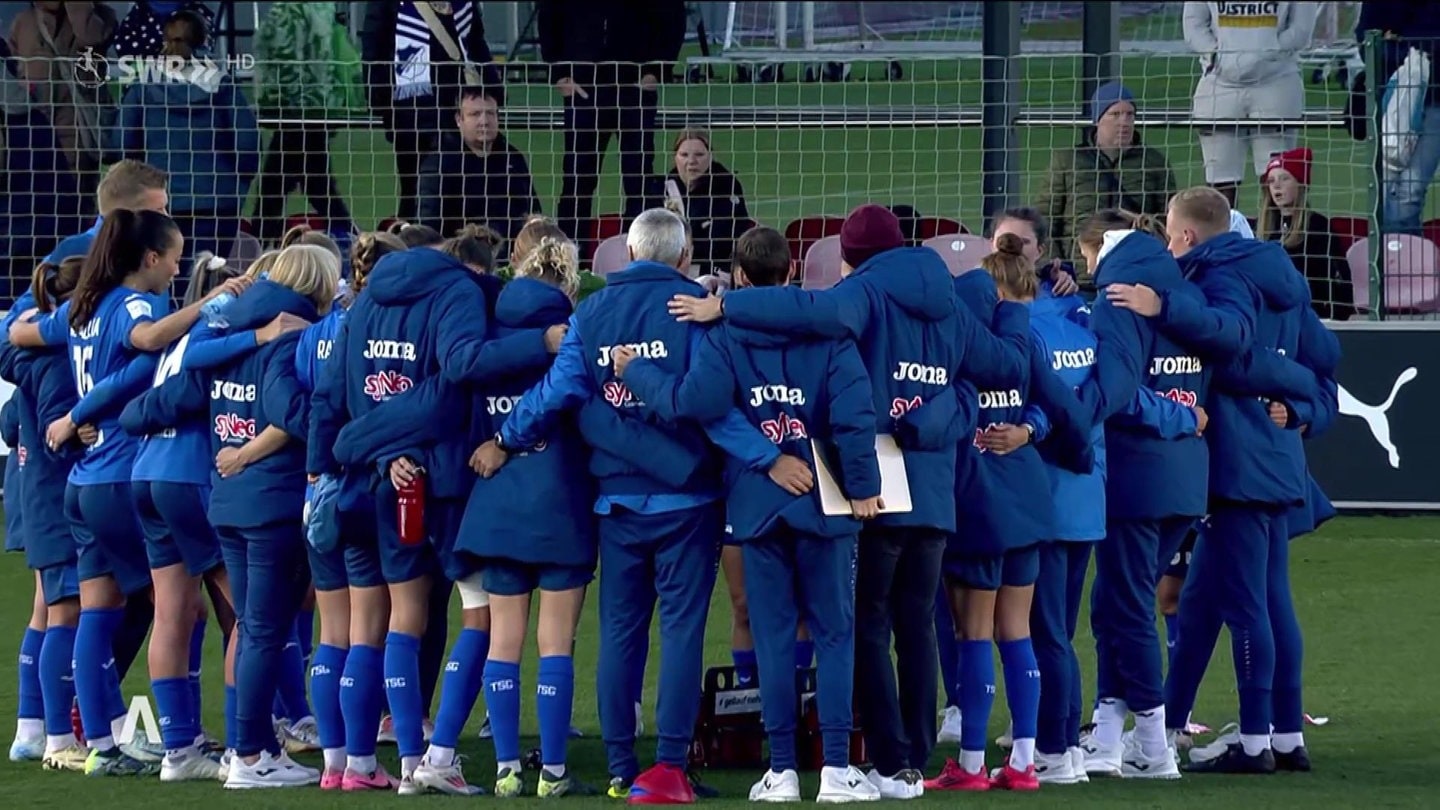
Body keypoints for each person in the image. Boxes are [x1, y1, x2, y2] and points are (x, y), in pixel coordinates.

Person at [668, 204, 1031, 799]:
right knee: (917, 625)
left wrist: (727, 304)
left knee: (862, 625)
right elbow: (1006, 370)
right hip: (935, 496)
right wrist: (1009, 313)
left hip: (869, 488)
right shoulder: (951, 308)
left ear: (849, 257)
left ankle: (881, 761)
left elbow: (816, 313)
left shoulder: (862, 297)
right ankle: (913, 760)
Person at [471, 208, 775, 804]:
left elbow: (556, 392)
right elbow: (716, 408)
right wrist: (769, 459)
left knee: (620, 632)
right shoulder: (697, 310)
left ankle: (617, 768)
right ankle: (668, 767)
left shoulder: (592, 312)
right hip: (688, 502)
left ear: (629, 256)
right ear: (683, 259)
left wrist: (505, 437)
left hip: (616, 502)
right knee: (682, 632)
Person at [613, 225, 885, 802]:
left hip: (758, 508)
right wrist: (863, 486)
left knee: (773, 636)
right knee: (835, 635)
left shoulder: (722, 333)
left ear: (737, 278)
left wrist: (634, 370)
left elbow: (695, 405)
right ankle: (835, 769)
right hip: (825, 503)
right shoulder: (831, 333)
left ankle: (782, 770)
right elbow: (855, 417)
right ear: (791, 272)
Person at [9, 210, 239, 775]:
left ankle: (99, 747)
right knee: (178, 607)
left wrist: (71, 417)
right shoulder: (136, 305)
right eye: (175, 257)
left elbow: (20, 331)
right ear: (150, 258)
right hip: (119, 472)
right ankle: (188, 739)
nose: (179, 267)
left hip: (83, 480)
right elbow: (146, 347)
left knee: (96, 610)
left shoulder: (82, 308)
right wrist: (211, 303)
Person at [1107, 187, 1314, 774]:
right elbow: (1323, 358)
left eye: (1171, 235)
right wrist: (1303, 404)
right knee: (1211, 602)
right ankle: (1266, 735)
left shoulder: (1220, 277)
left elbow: (1234, 345)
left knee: (1251, 604)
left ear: (1188, 236)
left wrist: (1161, 309)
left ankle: (1255, 743)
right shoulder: (1275, 276)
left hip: (1237, 467)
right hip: (1268, 460)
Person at [309, 233, 497, 794]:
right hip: (415, 483)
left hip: (353, 484)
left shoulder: (360, 308)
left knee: (357, 631)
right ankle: (418, 758)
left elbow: (330, 394)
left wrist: (327, 462)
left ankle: (350, 764)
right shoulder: (450, 301)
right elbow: (443, 394)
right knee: (419, 619)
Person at [926, 235, 1093, 792]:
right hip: (1027, 500)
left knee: (972, 633)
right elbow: (1057, 406)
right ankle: (1023, 762)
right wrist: (1030, 431)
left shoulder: (961, 348)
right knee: (1016, 631)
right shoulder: (1029, 349)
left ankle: (971, 764)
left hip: (976, 504)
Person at [1063, 208, 1210, 780]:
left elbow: (1119, 392)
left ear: (1098, 245)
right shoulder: (1185, 290)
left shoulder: (1118, 298)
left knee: (1124, 608)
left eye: (1085, 255)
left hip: (1137, 478)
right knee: (1115, 603)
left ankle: (1152, 738)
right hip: (1187, 481)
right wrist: (1187, 414)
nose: (1086, 268)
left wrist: (1075, 422)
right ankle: (1107, 729)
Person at [452, 235, 594, 798]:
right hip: (560, 506)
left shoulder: (488, 336)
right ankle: (553, 773)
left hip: (497, 505)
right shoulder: (569, 337)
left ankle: (508, 768)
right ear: (568, 283)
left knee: (503, 640)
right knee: (555, 641)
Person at [115, 258, 261, 782]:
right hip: (191, 477)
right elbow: (194, 393)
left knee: (174, 612)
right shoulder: (224, 331)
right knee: (246, 615)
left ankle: (179, 749)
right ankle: (247, 751)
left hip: (148, 473)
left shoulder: (179, 334)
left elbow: (137, 400)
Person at [6, 258, 86, 770]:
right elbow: (59, 435)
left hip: (34, 496)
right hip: (57, 498)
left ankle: (30, 729)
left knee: (44, 609)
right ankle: (59, 738)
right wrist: (85, 431)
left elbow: (10, 423)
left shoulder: (29, 355)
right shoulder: (60, 360)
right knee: (66, 612)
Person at [110, 9, 261, 275]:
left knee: (165, 282)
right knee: (208, 281)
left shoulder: (143, 85)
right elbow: (246, 142)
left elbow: (122, 142)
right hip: (217, 198)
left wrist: (141, 187)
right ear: (204, 42)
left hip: (160, 200)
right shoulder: (222, 85)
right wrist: (237, 184)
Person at [539, 0, 688, 245]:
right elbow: (548, 16)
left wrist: (656, 71)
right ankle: (569, 262)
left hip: (635, 88)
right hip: (583, 88)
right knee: (577, 180)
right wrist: (559, 73)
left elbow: (673, 18)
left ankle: (642, 256)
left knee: (639, 179)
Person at [361, 0, 497, 223]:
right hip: (411, 114)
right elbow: (374, 49)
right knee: (415, 190)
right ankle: (415, 247)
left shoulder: (463, 4)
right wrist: (382, 106)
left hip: (460, 110)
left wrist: (493, 91)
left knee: (462, 187)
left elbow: (476, 44)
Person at [1183, 2, 1319, 207]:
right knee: (1220, 176)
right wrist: (1214, 53)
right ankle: (1222, 236)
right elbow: (1193, 24)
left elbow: (1301, 29)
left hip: (1276, 82)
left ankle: (1277, 236)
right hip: (1219, 83)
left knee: (1278, 176)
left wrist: (1269, 53)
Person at [1037, 82, 1177, 267]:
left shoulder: (1153, 162)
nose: (1124, 122)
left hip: (1134, 267)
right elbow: (1045, 219)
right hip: (1078, 271)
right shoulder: (1067, 161)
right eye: (1115, 114)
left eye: (1130, 114)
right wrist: (1056, 266)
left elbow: (1168, 219)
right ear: (1098, 119)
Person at [252, 1, 357, 245]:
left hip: (294, 112)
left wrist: (272, 101)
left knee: (276, 192)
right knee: (315, 189)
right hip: (316, 109)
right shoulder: (322, 10)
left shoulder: (288, 12)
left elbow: (283, 59)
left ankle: (255, 251)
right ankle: (354, 239)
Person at [7, 1, 117, 209]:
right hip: (37, 122)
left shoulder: (100, 17)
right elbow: (15, 66)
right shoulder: (24, 21)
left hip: (78, 121)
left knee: (78, 195)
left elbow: (91, 37)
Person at [418, 86, 541, 250]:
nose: (484, 121)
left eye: (490, 113)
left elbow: (533, 213)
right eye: (475, 114)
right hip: (461, 259)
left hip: (512, 258)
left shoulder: (513, 159)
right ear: (459, 120)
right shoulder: (438, 164)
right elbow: (429, 228)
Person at [1256, 147, 1355, 320]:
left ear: (1301, 183)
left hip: (1314, 316)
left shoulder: (1318, 226)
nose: (1276, 186)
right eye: (1271, 181)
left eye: (1284, 178)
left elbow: (1339, 278)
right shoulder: (1265, 229)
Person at [662, 129, 751, 276]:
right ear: (675, 157)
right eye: (684, 155)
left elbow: (726, 238)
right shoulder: (664, 186)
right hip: (671, 268)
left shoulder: (726, 185)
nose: (691, 161)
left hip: (714, 271)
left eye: (699, 155)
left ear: (710, 156)